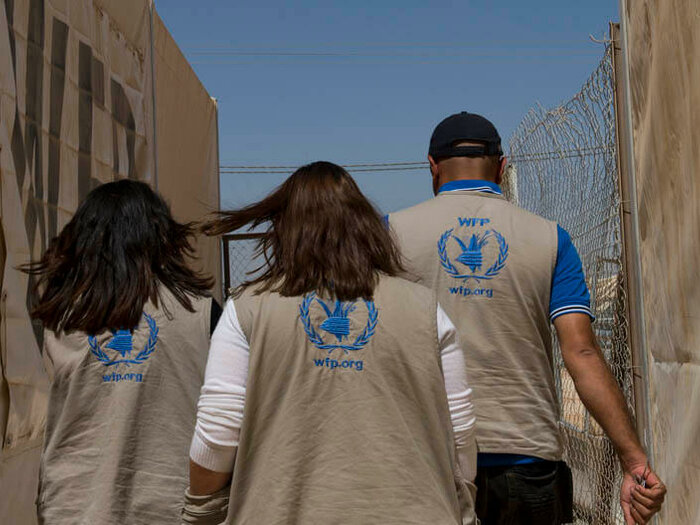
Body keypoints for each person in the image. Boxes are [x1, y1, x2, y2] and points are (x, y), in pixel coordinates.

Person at [388, 112, 666, 525]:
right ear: (501, 168)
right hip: (529, 461)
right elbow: (582, 352)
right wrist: (634, 459)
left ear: (431, 167)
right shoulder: (550, 239)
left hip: (428, 458)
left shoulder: (390, 234)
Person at [183, 161, 478, 524]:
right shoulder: (425, 308)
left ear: (284, 230)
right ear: (365, 227)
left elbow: (216, 439)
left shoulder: (246, 310)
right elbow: (460, 434)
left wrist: (201, 513)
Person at [23, 180, 220, 524]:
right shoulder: (202, 313)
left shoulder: (61, 317)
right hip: (172, 504)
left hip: (75, 505)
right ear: (161, 236)